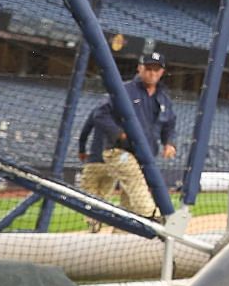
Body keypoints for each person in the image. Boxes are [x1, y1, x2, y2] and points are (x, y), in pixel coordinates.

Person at [76, 52, 177, 221]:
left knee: (129, 203)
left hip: (145, 156)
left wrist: (169, 143)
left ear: (162, 72)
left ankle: (121, 237)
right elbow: (99, 115)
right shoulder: (124, 90)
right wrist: (118, 133)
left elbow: (169, 125)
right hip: (119, 151)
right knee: (136, 182)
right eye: (148, 68)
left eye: (156, 70)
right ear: (140, 68)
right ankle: (154, 216)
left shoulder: (164, 99)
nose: (152, 73)